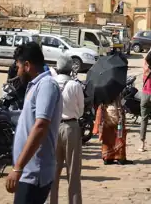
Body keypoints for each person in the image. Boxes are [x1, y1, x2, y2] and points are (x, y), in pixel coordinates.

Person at [6, 42, 63, 204]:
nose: (17, 71)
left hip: (34, 173)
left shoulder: (46, 85)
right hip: (27, 172)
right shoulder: (35, 85)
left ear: (27, 65)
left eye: (18, 67)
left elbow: (40, 126)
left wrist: (18, 167)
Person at [50, 54, 84, 204]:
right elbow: (81, 110)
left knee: (53, 171)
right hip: (71, 127)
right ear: (71, 69)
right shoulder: (75, 85)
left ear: (57, 68)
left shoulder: (51, 83)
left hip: (53, 127)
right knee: (73, 171)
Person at [93, 95, 127, 165]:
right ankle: (120, 158)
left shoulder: (103, 97)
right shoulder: (117, 95)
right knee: (119, 138)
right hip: (118, 120)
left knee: (107, 140)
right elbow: (122, 104)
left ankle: (107, 158)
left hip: (106, 121)